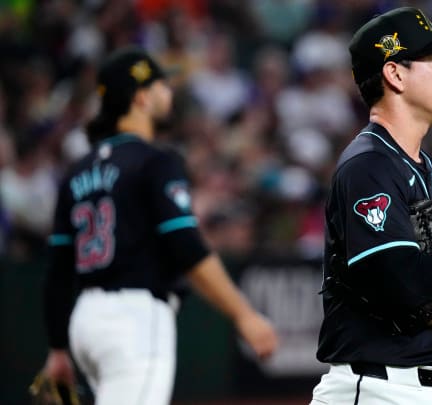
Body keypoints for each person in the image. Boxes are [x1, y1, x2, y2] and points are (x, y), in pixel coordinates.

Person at [40, 47, 278, 405]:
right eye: (160, 85)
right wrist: (244, 314)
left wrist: (58, 348)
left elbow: (58, 271)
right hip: (134, 318)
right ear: (140, 98)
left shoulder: (77, 170)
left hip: (84, 323)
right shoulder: (155, 161)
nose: (168, 91)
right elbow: (187, 246)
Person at [311, 7, 432, 405]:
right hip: (377, 388)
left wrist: (431, 302)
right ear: (394, 74)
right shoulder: (368, 167)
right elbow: (402, 285)